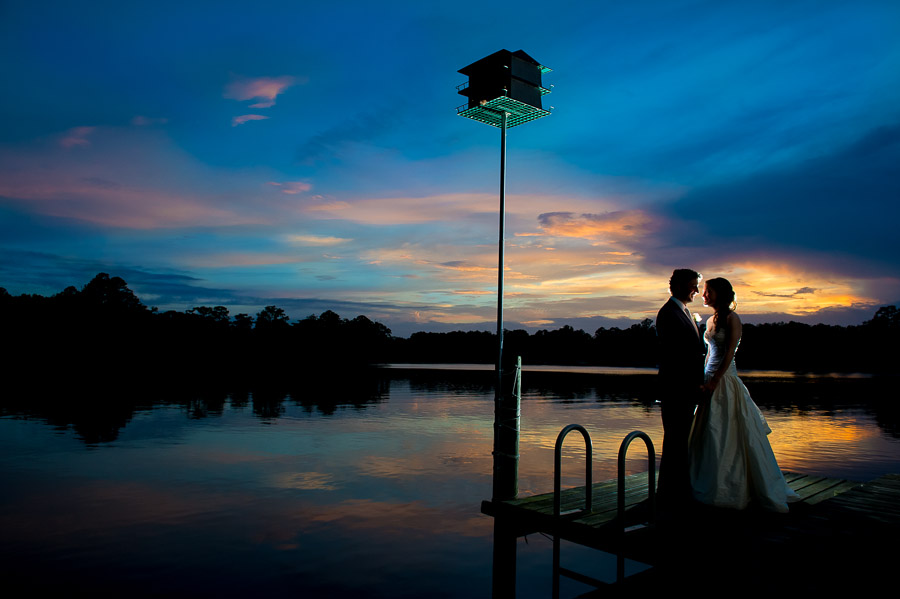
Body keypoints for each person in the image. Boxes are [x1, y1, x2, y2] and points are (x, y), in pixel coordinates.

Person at [689, 277, 800, 513]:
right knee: (710, 432)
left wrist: (716, 381)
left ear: (720, 293)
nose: (703, 295)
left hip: (725, 380)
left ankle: (737, 486)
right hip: (709, 380)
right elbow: (709, 354)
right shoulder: (710, 320)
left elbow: (729, 353)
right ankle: (710, 481)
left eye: (707, 291)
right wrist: (704, 380)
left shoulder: (732, 319)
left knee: (729, 431)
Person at [655, 268, 706, 507]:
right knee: (674, 439)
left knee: (680, 439)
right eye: (694, 285)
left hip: (686, 389)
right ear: (684, 285)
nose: (697, 290)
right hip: (676, 388)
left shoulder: (683, 312)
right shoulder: (669, 314)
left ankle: (676, 489)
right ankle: (668, 492)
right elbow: (674, 356)